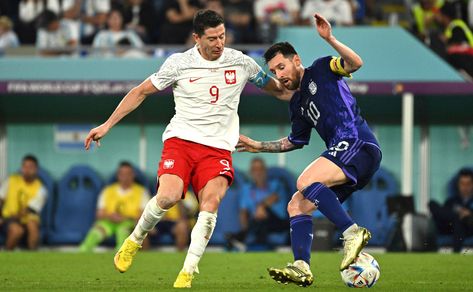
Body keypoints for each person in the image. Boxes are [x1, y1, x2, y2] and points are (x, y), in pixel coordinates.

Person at [84, 9, 290, 288]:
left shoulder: (241, 62)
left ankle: (188, 271)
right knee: (168, 196)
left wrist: (306, 89)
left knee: (210, 205)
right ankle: (134, 241)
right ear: (196, 38)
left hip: (217, 148)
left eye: (222, 36)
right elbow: (140, 92)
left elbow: (277, 89)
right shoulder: (179, 63)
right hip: (181, 141)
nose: (219, 43)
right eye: (212, 38)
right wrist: (107, 125)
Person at [236, 13, 382, 287]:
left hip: (358, 144)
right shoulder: (297, 105)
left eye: (282, 67)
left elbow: (356, 63)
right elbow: (294, 141)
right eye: (274, 71)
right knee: (297, 203)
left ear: (297, 61)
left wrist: (330, 39)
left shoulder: (322, 69)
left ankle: (352, 234)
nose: (279, 75)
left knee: (306, 181)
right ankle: (302, 266)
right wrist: (258, 146)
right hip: (345, 157)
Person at [79, 162, 150, 252]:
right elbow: (99, 214)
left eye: (128, 174)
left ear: (133, 175)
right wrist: (110, 216)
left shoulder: (142, 192)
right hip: (108, 222)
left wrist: (124, 218)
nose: (125, 177)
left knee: (123, 232)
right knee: (95, 232)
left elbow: (144, 216)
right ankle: (82, 253)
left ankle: (119, 259)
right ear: (118, 175)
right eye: (122, 174)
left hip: (128, 223)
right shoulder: (107, 191)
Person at [226, 157, 288, 251]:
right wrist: (246, 228)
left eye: (260, 169)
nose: (258, 173)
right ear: (251, 172)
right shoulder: (246, 189)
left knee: (264, 213)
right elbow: (243, 212)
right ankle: (245, 239)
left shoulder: (275, 184)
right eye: (254, 170)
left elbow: (275, 197)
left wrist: (261, 206)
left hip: (279, 222)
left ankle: (239, 238)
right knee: (259, 220)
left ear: (265, 171)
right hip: (257, 223)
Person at [0, 155, 48, 250]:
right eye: (25, 167)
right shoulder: (11, 180)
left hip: (25, 219)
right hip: (7, 220)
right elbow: (0, 199)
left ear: (36, 169)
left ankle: (32, 260)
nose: (27, 170)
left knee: (32, 226)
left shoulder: (41, 189)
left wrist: (6, 218)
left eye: (30, 167)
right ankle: (6, 257)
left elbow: (28, 210)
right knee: (16, 230)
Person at [429, 168, 473, 252]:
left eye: (468, 184)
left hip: (467, 228)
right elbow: (443, 213)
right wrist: (458, 213)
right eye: (462, 184)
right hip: (448, 226)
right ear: (458, 185)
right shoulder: (452, 201)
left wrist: (469, 214)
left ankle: (456, 254)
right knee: (432, 203)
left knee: (460, 221)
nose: (465, 187)